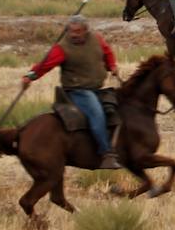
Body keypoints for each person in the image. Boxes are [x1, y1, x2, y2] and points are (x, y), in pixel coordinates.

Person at [22, 15, 122, 170]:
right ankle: (106, 154)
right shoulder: (62, 48)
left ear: (86, 30)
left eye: (78, 31)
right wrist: (30, 76)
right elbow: (44, 64)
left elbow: (107, 52)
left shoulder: (97, 38)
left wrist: (112, 65)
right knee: (96, 113)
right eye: (71, 31)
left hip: (97, 88)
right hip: (78, 91)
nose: (74, 34)